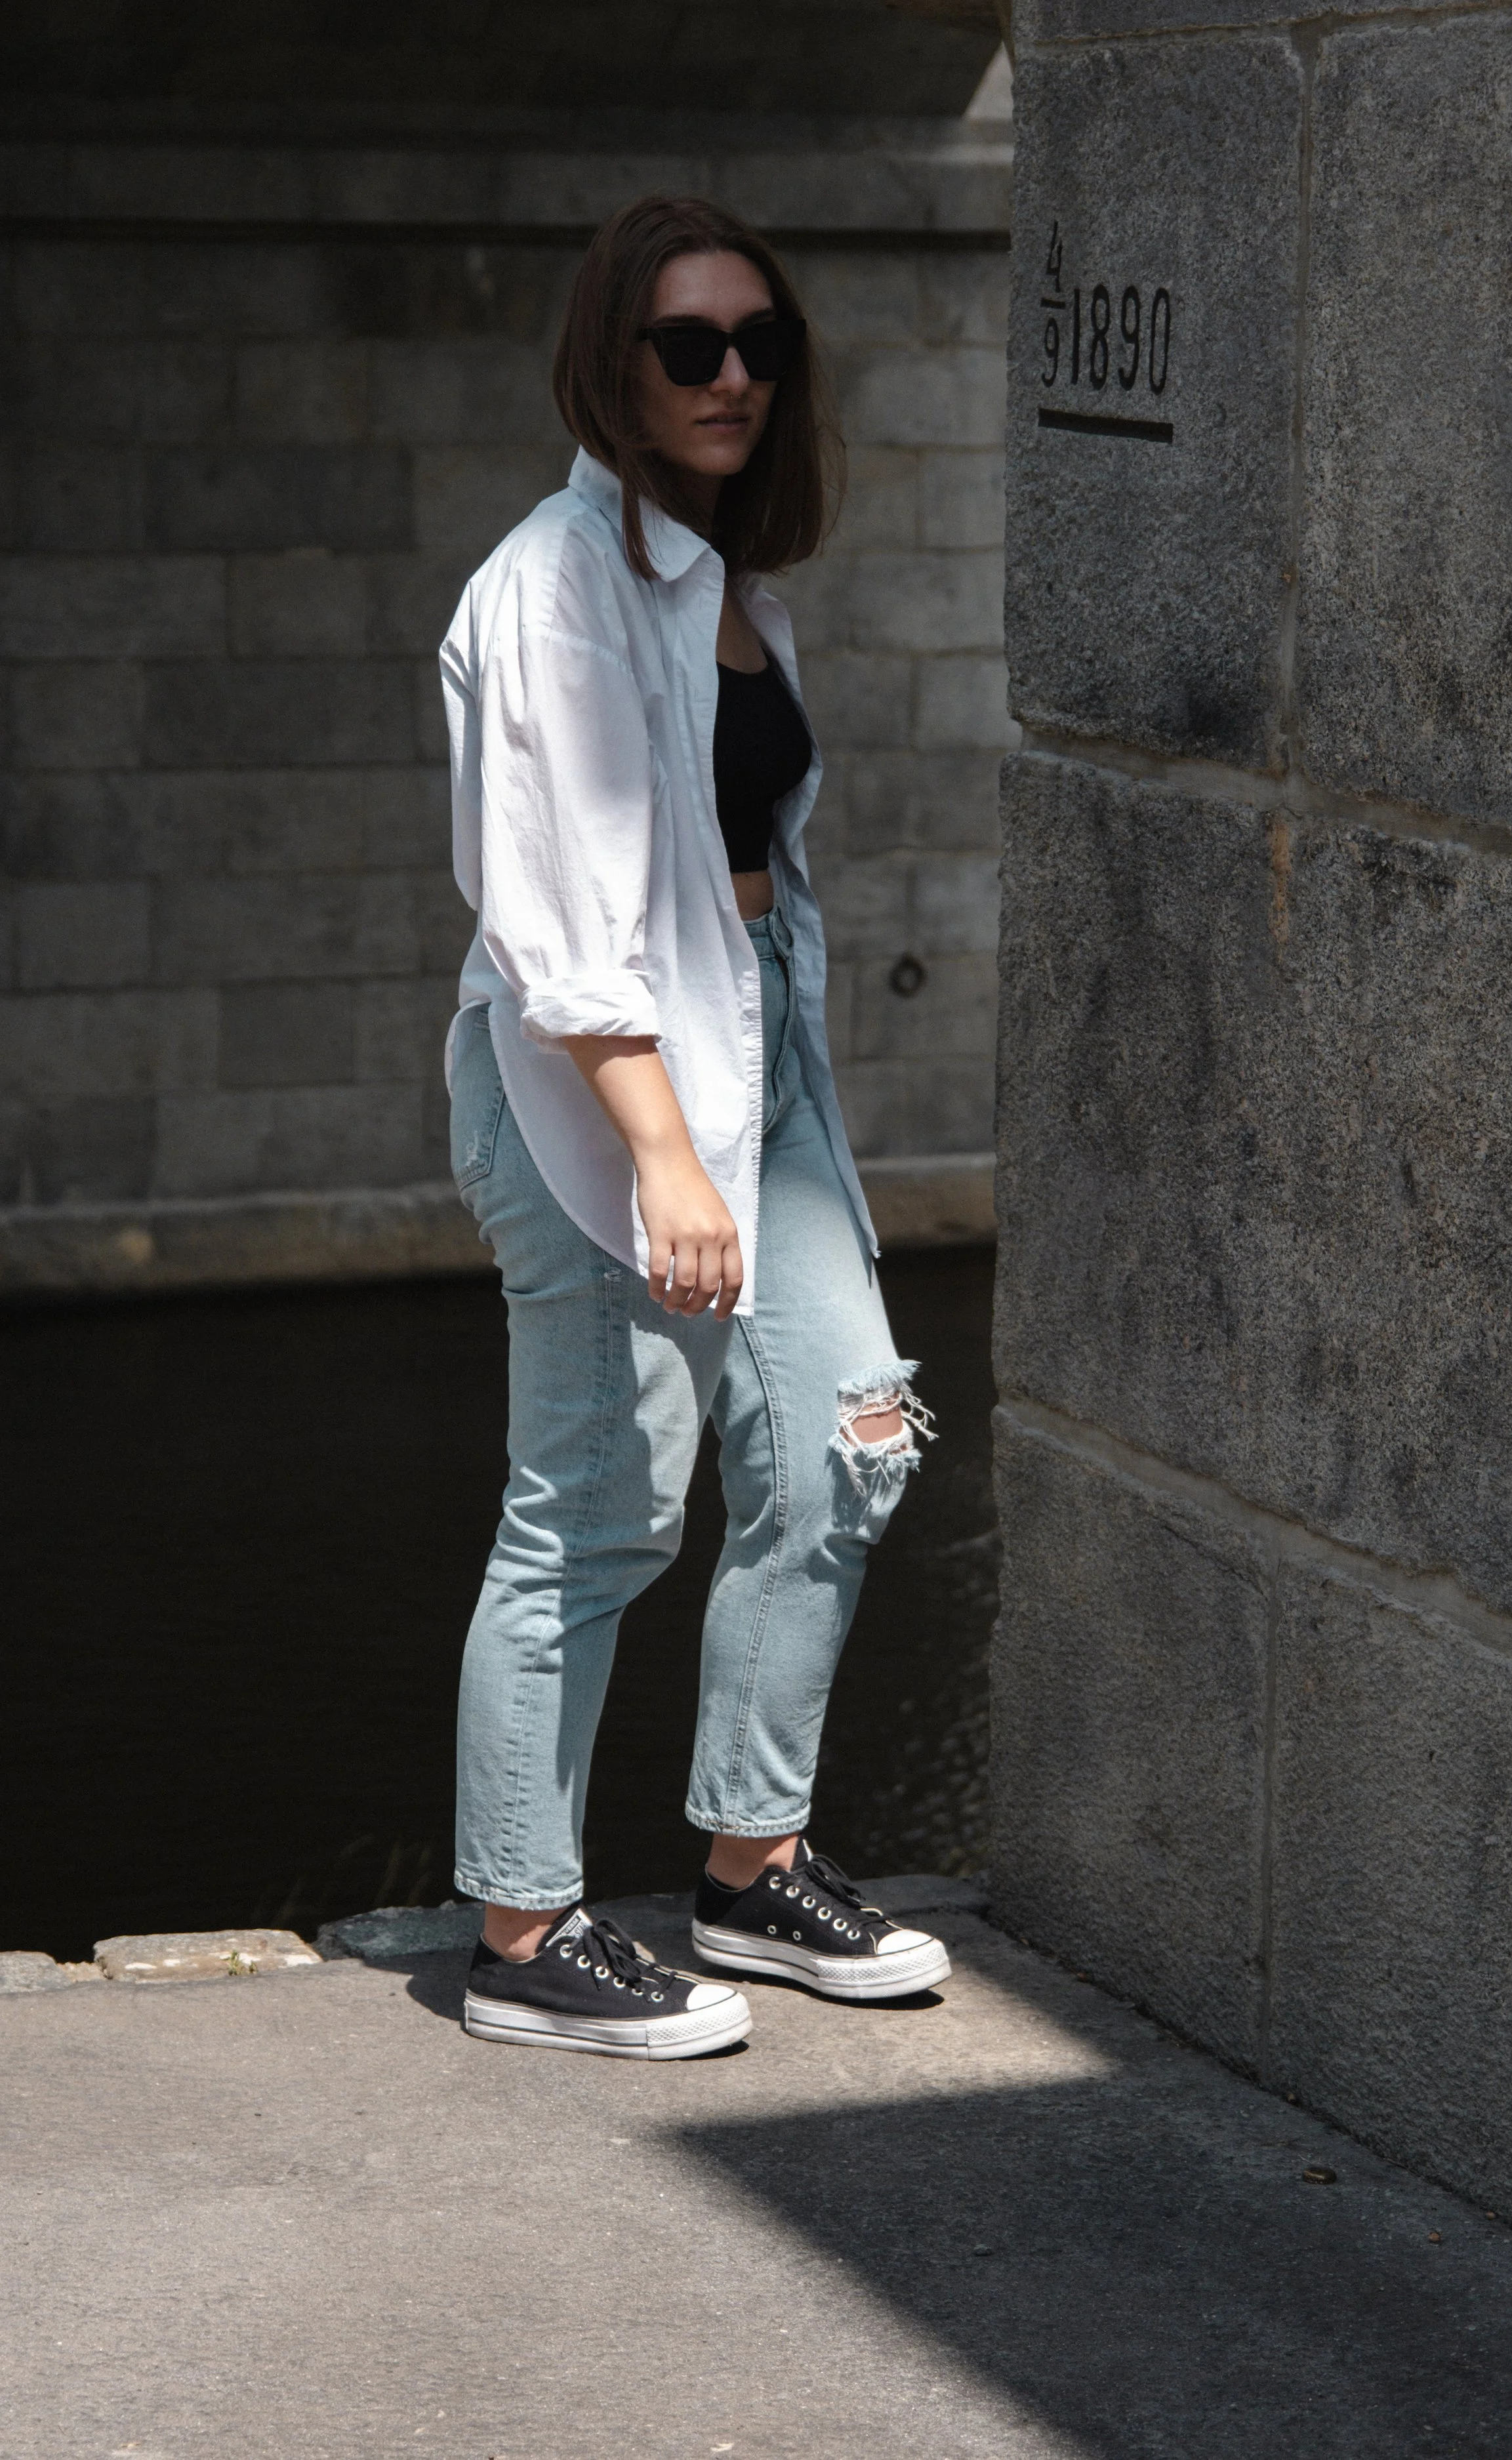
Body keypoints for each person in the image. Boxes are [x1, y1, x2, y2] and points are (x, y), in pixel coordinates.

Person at [439, 194, 951, 2059]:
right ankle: (520, 1924)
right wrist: (662, 1149)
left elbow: (754, 879)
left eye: (758, 342)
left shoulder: (739, 586)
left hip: (755, 1070)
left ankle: (749, 1867)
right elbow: (553, 917)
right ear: (614, 363)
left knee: (844, 1444)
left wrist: (771, 1111)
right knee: (596, 1505)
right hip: (596, 1088)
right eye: (687, 344)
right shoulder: (553, 586)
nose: (730, 374)